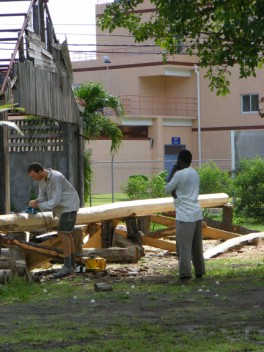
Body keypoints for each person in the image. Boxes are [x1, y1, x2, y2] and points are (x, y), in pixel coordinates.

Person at [27, 162, 80, 278]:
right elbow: (42, 197)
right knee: (68, 234)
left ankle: (67, 266)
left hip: (69, 206)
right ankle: (71, 264)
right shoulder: (41, 180)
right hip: (63, 208)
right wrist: (36, 201)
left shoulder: (56, 177)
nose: (34, 178)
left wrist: (38, 206)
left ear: (40, 171)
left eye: (34, 176)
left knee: (63, 233)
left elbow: (55, 200)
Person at [165, 150, 205, 281]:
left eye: (178, 160)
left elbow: (167, 188)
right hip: (196, 213)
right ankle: (199, 271)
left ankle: (185, 273)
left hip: (184, 216)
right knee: (197, 246)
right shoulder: (195, 173)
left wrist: (173, 170)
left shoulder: (180, 174)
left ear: (181, 161)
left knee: (184, 247)